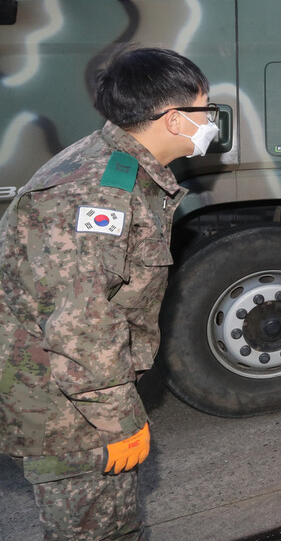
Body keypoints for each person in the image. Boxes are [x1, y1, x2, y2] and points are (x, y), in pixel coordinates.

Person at [0, 45, 217, 540]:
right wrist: (119, 420)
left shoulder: (119, 167)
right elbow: (80, 323)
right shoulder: (97, 193)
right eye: (206, 108)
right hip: (65, 410)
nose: (211, 121)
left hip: (75, 394)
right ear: (176, 119)